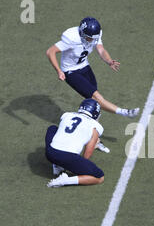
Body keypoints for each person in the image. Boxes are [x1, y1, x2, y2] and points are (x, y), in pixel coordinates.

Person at [46, 17, 140, 152]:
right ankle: (124, 112)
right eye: (90, 38)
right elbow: (50, 51)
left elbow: (101, 49)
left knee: (95, 104)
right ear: (83, 34)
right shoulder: (72, 38)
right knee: (97, 98)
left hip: (85, 67)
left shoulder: (94, 36)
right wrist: (59, 71)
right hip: (71, 72)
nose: (93, 41)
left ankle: (94, 140)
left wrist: (109, 61)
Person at [46, 98, 106, 188]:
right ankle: (65, 180)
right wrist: (80, 165)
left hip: (50, 153)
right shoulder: (96, 126)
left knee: (52, 128)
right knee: (99, 177)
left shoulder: (67, 115)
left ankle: (57, 165)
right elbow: (87, 155)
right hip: (68, 157)